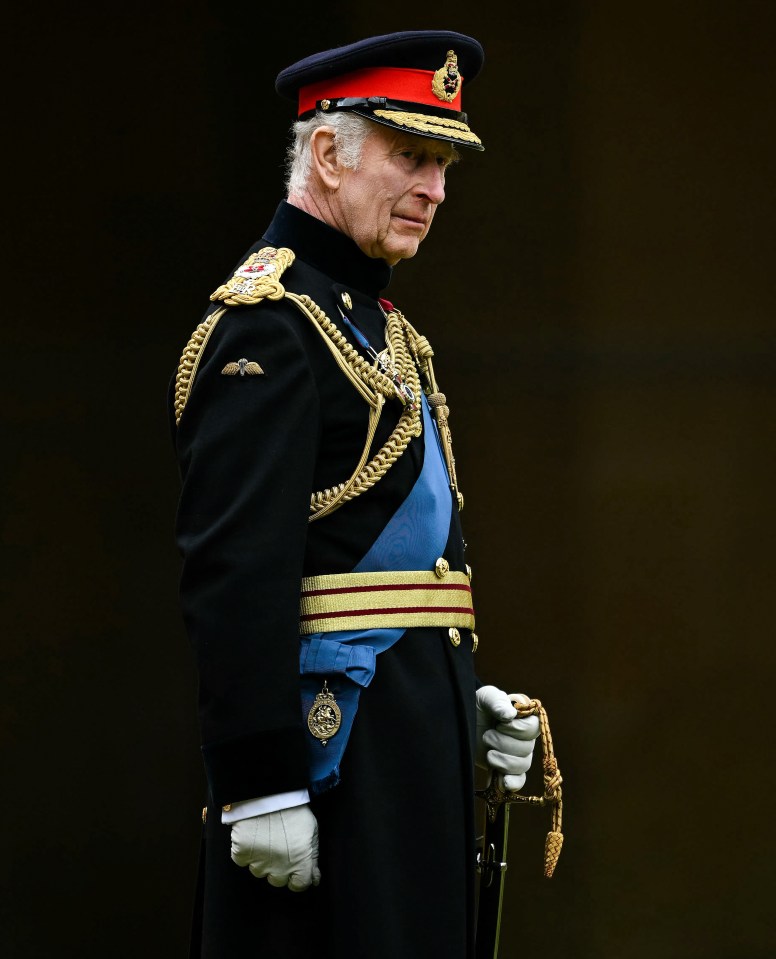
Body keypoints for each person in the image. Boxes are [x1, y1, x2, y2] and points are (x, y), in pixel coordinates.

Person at [170, 30, 540, 959]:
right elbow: (235, 572)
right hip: (327, 773)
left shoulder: (386, 328)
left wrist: (459, 696)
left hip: (404, 751)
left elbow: (390, 574)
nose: (436, 187)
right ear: (329, 154)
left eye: (445, 163)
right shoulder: (268, 327)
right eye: (411, 155)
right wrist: (259, 780)